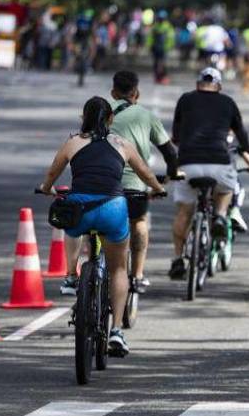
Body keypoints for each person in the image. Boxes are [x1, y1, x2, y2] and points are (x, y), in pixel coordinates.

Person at [37, 96, 167, 357]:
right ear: (111, 120)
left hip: (81, 208)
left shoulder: (72, 142)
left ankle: (71, 276)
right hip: (113, 208)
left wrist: (47, 189)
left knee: (70, 225)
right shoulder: (122, 144)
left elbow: (52, 174)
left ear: (82, 118)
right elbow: (145, 173)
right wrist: (158, 189)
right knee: (119, 268)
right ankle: (117, 330)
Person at [168, 68, 249, 279]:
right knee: (226, 190)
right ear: (219, 87)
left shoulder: (185, 100)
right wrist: (248, 150)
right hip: (219, 163)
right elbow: (241, 133)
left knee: (184, 213)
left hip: (188, 163)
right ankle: (221, 216)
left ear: (197, 85)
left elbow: (176, 134)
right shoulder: (228, 102)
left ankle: (177, 259)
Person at [150, 12, 174, 84]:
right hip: (155, 47)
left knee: (163, 63)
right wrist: (150, 45)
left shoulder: (168, 26)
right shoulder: (155, 26)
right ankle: (157, 77)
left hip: (164, 47)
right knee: (156, 63)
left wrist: (169, 46)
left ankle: (164, 77)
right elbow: (151, 37)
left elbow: (171, 37)